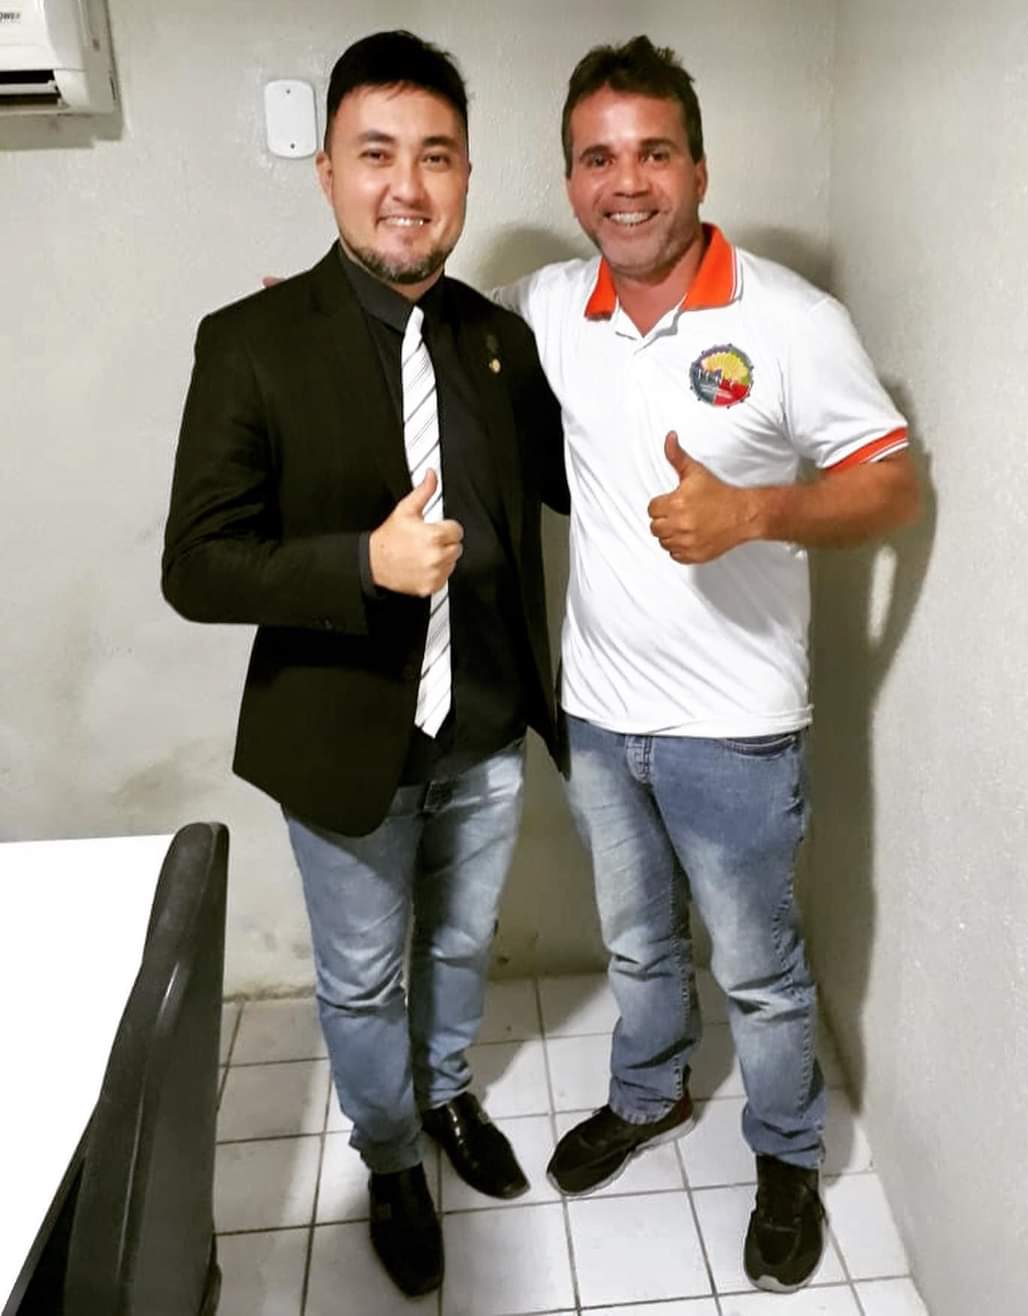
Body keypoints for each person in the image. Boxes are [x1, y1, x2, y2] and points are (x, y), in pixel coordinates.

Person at [493, 35, 920, 1295]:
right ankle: (649, 1091)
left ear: (698, 167)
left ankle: (786, 1154)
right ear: (572, 180)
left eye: (654, 154)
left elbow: (891, 481)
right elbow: (433, 335)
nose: (627, 183)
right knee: (636, 942)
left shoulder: (790, 319)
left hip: (735, 723)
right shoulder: (549, 306)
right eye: (599, 158)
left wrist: (756, 512)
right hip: (598, 710)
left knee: (760, 971)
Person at [162, 30, 567, 1298]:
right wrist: (361, 564)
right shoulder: (251, 340)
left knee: (457, 947)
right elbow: (197, 566)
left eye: (436, 156)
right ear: (328, 172)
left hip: (483, 726)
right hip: (340, 742)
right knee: (361, 974)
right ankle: (389, 1155)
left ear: (466, 176)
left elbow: (568, 482)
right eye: (376, 153)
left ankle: (444, 1093)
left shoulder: (499, 342)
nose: (407, 185)